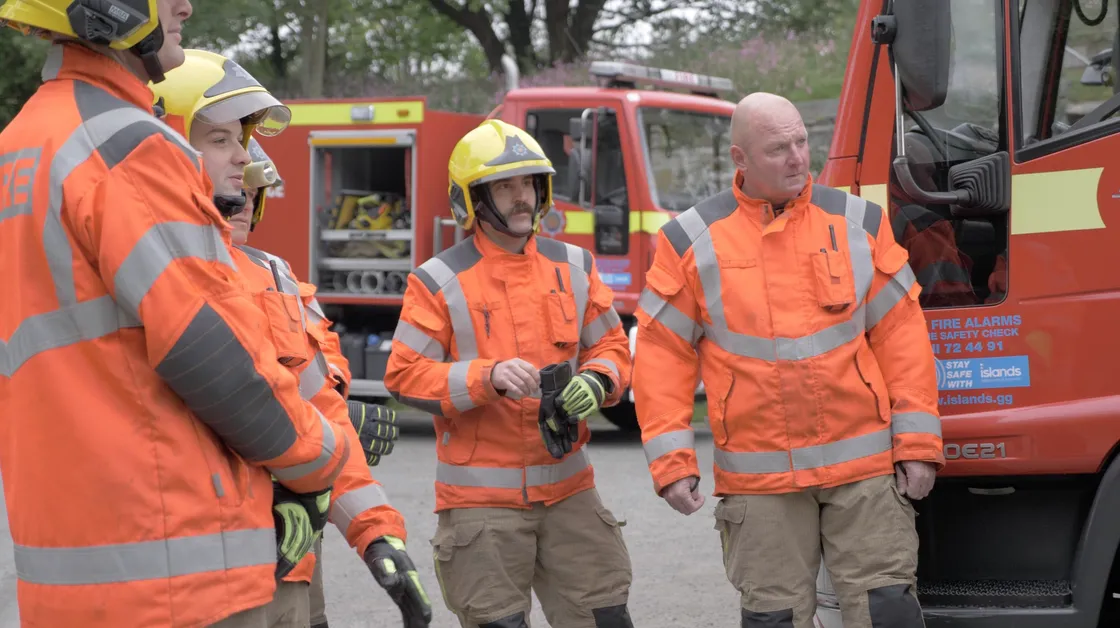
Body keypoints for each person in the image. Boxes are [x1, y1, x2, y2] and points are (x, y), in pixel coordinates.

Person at [0, 1, 351, 626]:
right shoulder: (126, 144)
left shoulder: (20, 145)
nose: (185, 6)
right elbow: (216, 355)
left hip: (69, 574)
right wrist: (322, 461)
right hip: (173, 570)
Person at [632, 92, 944, 628]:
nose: (798, 157)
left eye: (802, 141)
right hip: (761, 482)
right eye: (779, 148)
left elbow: (902, 334)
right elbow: (661, 353)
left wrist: (917, 443)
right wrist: (671, 462)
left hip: (863, 471)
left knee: (887, 612)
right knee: (773, 618)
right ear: (740, 159)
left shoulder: (858, 222)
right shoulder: (688, 241)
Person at [149, 49, 431, 627]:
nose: (243, 166)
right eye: (221, 140)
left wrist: (376, 532)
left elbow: (309, 397)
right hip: (182, 576)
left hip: (282, 554)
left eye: (243, 145)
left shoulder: (270, 276)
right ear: (167, 144)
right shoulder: (143, 266)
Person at [384, 119, 636, 628]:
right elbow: (405, 375)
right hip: (482, 508)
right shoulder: (438, 280)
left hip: (571, 493)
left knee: (605, 617)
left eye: (528, 184)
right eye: (505, 186)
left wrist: (599, 379)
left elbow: (611, 345)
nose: (522, 198)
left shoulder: (575, 264)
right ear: (473, 199)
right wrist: (486, 376)